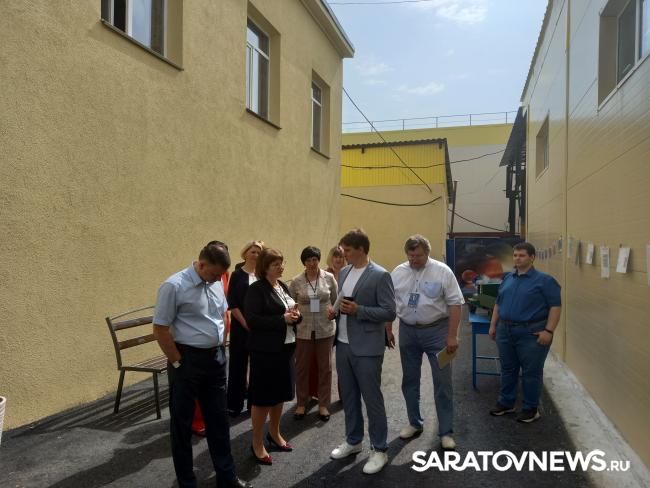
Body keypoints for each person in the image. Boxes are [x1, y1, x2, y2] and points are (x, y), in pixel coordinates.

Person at [153, 241, 252, 488]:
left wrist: (221, 346)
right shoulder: (174, 286)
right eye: (215, 274)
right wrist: (178, 363)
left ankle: (227, 478)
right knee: (182, 425)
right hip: (187, 361)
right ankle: (187, 483)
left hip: (215, 360)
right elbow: (160, 328)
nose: (218, 279)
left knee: (219, 422)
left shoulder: (216, 281)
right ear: (201, 264)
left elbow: (222, 316)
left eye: (221, 275)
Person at [329, 229, 396, 475]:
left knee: (372, 399)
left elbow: (389, 311)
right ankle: (353, 440)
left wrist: (359, 310)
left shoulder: (380, 275)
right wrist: (334, 310)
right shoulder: (345, 271)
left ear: (360, 249)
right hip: (343, 344)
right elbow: (341, 300)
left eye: (347, 250)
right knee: (349, 396)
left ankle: (380, 449)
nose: (343, 255)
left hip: (367, 347)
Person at [390, 235, 463, 450]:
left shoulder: (443, 271)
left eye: (418, 256)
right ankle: (414, 423)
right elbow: (390, 302)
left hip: (437, 332)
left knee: (443, 383)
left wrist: (452, 335)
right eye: (410, 255)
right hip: (407, 331)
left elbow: (455, 304)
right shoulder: (398, 272)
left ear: (428, 253)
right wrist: (388, 329)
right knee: (410, 380)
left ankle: (446, 432)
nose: (414, 259)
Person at [488, 242, 562, 423]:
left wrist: (548, 331)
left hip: (531, 333)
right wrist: (493, 325)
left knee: (531, 372)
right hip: (505, 331)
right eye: (515, 255)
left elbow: (555, 307)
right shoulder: (508, 278)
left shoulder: (545, 281)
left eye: (521, 255)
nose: (517, 258)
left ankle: (530, 408)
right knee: (508, 369)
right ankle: (506, 403)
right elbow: (498, 303)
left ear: (532, 257)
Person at [244, 248, 302, 465]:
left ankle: (274, 433)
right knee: (262, 399)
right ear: (265, 267)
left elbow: (288, 312)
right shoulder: (256, 289)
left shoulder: (282, 286)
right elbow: (252, 320)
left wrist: (297, 316)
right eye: (276, 264)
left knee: (279, 395)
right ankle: (257, 442)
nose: (281, 267)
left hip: (285, 349)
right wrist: (282, 320)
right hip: (265, 352)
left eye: (282, 263)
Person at [289, 246, 338, 421]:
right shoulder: (296, 281)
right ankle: (301, 403)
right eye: (308, 260)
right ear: (304, 262)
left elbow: (335, 301)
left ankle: (323, 404)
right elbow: (290, 304)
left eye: (315, 259)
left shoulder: (329, 278)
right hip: (303, 330)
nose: (312, 263)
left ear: (319, 260)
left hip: (325, 329)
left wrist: (334, 313)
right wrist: (294, 314)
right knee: (302, 367)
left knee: (325, 368)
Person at [226, 240, 265, 417]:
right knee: (237, 365)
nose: (256, 255)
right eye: (253, 251)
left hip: (259, 328)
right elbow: (232, 303)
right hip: (240, 327)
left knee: (257, 367)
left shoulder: (263, 275)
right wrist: (244, 323)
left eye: (259, 252)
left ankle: (253, 404)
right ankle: (234, 405)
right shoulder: (237, 275)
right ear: (245, 253)